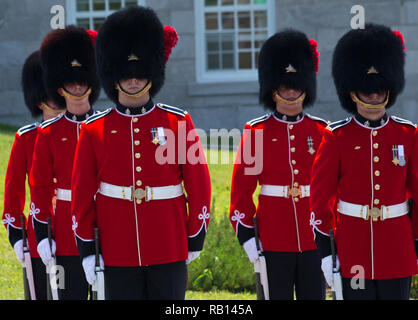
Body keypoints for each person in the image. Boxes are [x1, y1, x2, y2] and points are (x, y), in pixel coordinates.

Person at [71, 6, 211, 300]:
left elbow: (198, 184)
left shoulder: (177, 122)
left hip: (168, 243)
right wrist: (85, 247)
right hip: (116, 247)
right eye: (125, 73)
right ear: (113, 74)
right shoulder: (93, 129)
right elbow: (82, 192)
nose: (133, 79)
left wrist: (195, 234)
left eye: (139, 72)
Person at [310, 23, 418, 300]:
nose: (373, 94)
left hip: (397, 248)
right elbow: (321, 200)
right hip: (352, 248)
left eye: (379, 90)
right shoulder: (336, 137)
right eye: (367, 90)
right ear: (351, 91)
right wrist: (325, 251)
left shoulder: (407, 134)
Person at [229, 29, 326, 300]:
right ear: (273, 90)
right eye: (284, 86)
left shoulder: (321, 131)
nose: (292, 91)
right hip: (272, 239)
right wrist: (248, 237)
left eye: (296, 85)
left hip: (313, 237)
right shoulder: (256, 132)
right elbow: (241, 192)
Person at [29, 26, 100, 300]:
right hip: (66, 232)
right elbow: (40, 186)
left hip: (104, 228)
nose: (78, 86)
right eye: (71, 83)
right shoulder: (48, 133)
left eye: (82, 81)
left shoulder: (105, 125)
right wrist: (42, 233)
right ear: (60, 87)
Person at [2, 50, 65, 300]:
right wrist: (17, 236)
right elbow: (14, 191)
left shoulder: (85, 131)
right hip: (40, 235)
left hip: (76, 230)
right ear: (40, 100)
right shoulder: (27, 138)